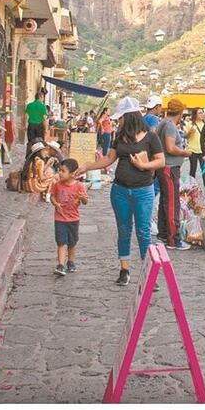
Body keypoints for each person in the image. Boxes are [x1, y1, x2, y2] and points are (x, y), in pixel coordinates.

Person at [77, 97, 165, 286]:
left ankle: (148, 272)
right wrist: (87, 166)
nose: (118, 121)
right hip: (120, 190)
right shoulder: (120, 137)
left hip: (143, 190)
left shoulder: (151, 137)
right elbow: (109, 159)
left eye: (121, 118)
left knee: (143, 232)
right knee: (124, 230)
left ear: (129, 117)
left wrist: (143, 165)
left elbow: (160, 161)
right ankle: (124, 270)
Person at [155, 99, 191, 250]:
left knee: (165, 201)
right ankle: (173, 239)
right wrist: (185, 152)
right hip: (169, 168)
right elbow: (170, 148)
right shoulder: (170, 125)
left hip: (164, 167)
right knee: (171, 203)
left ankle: (163, 234)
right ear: (181, 113)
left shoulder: (163, 122)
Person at [50, 158, 88, 276]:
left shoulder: (79, 186)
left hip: (73, 219)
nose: (59, 173)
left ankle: (71, 262)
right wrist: (55, 204)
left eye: (63, 171)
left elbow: (85, 201)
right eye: (59, 170)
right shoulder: (57, 185)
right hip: (60, 218)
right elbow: (52, 196)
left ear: (72, 174)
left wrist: (82, 198)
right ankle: (61, 264)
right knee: (61, 242)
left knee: (72, 242)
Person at [184, 108, 205, 187]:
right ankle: (191, 187)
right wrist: (190, 132)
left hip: (202, 150)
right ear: (195, 115)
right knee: (193, 169)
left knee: (204, 170)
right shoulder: (190, 124)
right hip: (192, 150)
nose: (202, 114)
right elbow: (185, 136)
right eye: (200, 113)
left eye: (202, 113)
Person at [24, 88, 49, 153]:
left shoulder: (29, 105)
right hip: (39, 126)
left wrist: (25, 126)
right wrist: (46, 129)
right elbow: (44, 118)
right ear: (41, 97)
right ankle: (38, 155)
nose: (43, 99)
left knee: (31, 142)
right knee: (40, 142)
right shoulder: (43, 106)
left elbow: (26, 116)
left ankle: (29, 156)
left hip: (31, 126)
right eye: (43, 97)